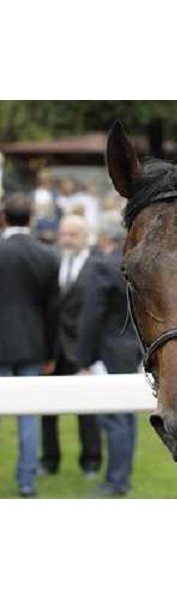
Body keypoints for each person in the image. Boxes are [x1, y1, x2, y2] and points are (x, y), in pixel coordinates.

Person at [78, 211, 142, 496]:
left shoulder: (104, 266)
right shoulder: (138, 263)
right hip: (133, 348)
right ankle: (121, 476)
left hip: (109, 349)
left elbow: (91, 317)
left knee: (114, 419)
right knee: (126, 418)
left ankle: (116, 480)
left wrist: (84, 358)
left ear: (104, 237)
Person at [0, 194, 59, 497]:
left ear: (4, 218)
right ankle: (26, 482)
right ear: (31, 218)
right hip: (33, 345)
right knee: (28, 418)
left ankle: (25, 480)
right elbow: (53, 312)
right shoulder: (47, 255)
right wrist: (51, 353)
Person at [40, 214, 102, 477]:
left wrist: (92, 356)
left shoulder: (96, 266)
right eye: (63, 233)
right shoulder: (51, 262)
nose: (66, 239)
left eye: (72, 234)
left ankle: (90, 461)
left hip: (82, 350)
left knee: (87, 411)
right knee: (47, 410)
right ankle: (49, 460)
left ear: (85, 236)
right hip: (52, 350)